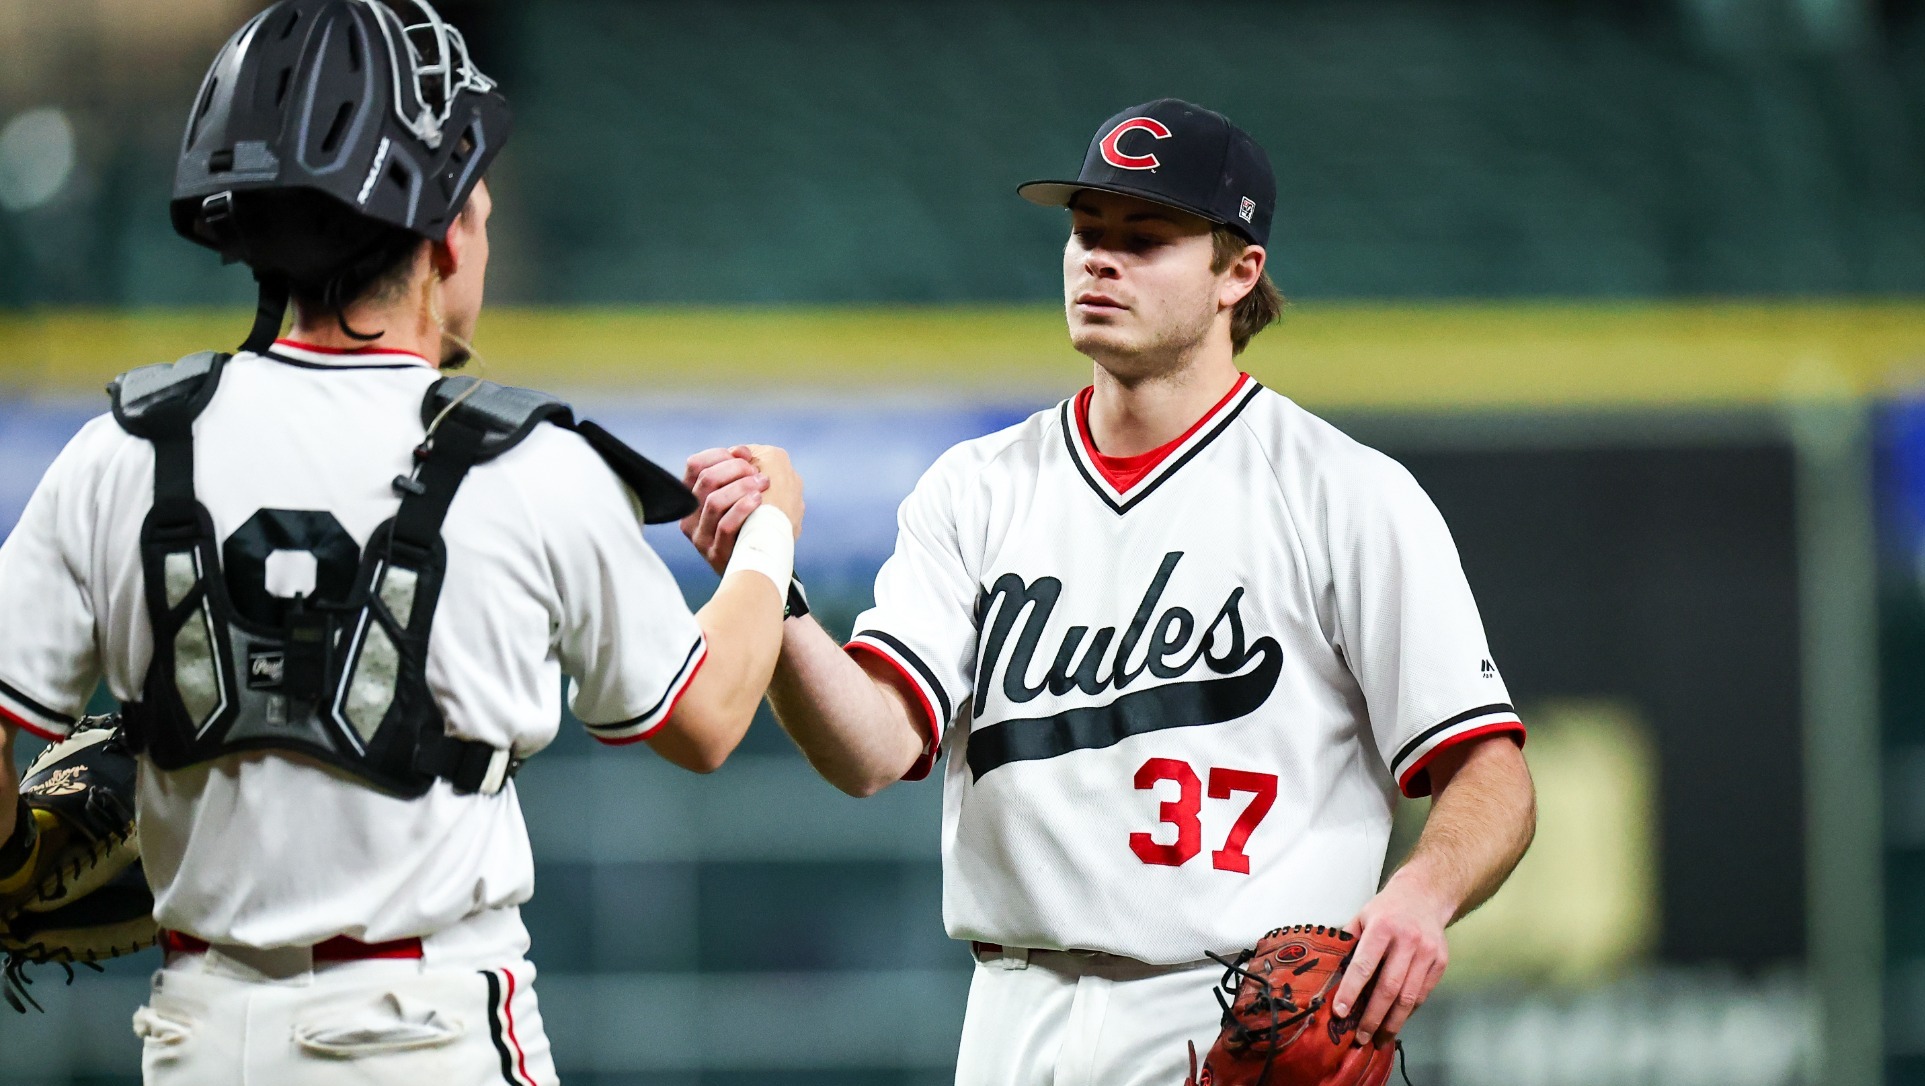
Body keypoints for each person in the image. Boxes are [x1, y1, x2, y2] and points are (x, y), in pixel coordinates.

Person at [0, 2, 800, 1082]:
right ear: (444, 235)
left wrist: (15, 860)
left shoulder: (123, 451)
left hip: (198, 1039)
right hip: (426, 1031)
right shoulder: (533, 465)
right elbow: (704, 719)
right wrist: (769, 535)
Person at [681, 99, 1537, 1084]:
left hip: (1233, 1014)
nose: (1100, 260)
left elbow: (1490, 770)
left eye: (1144, 239)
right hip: (1010, 1015)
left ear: (1237, 273)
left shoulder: (1343, 494)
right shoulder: (977, 488)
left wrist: (1422, 894)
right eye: (1086, 233)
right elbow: (870, 750)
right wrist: (773, 593)